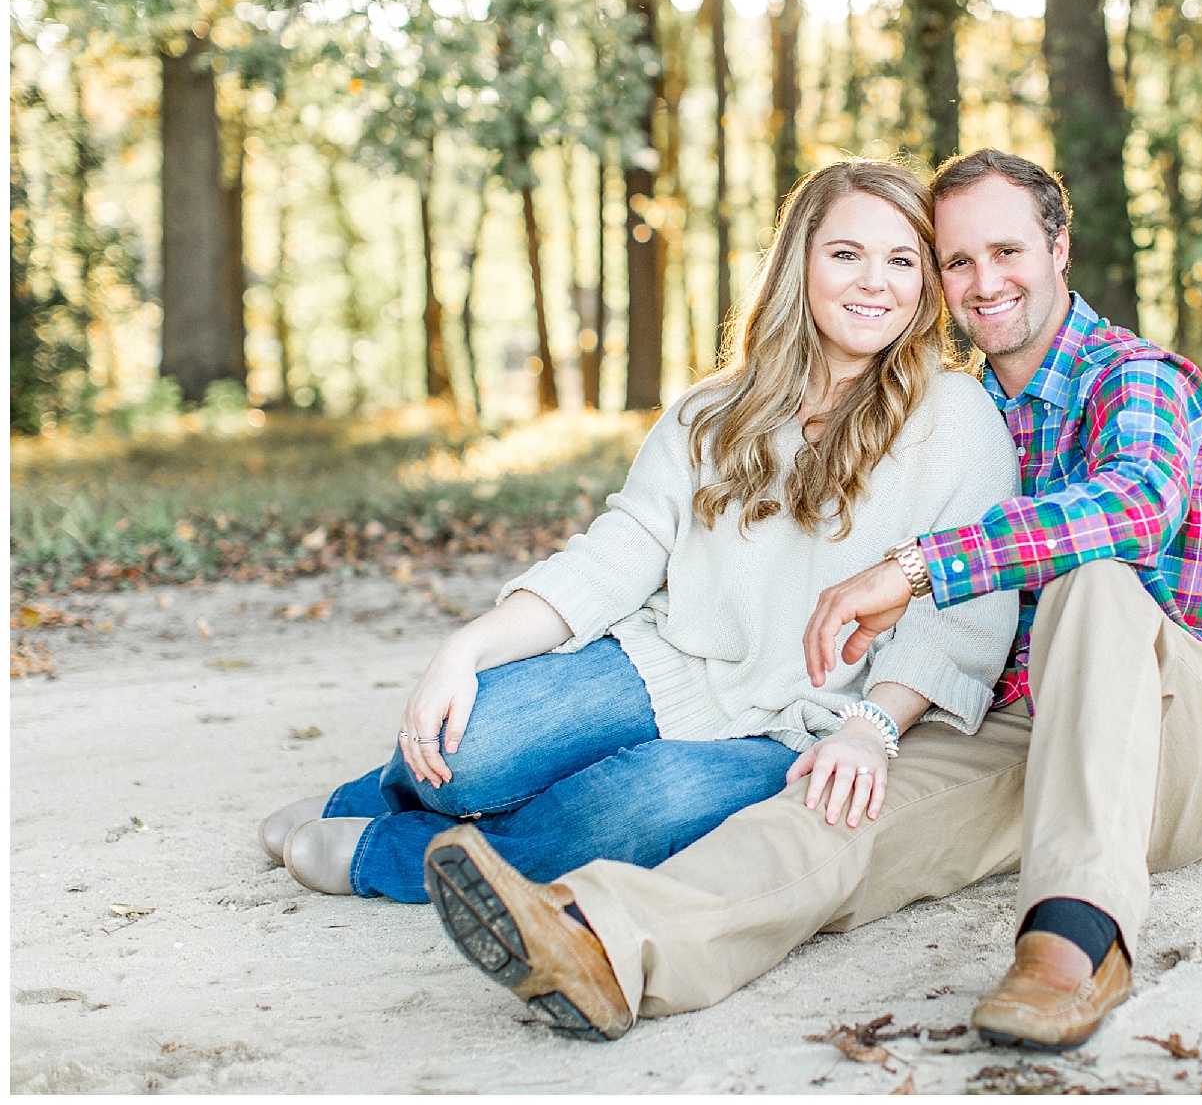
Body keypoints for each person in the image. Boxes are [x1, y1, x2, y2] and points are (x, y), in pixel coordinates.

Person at [419, 148, 1202, 1050]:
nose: (984, 281)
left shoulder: (1136, 378)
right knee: (834, 803)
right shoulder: (970, 405)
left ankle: (1075, 941)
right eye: (957, 261)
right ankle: (608, 940)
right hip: (1028, 729)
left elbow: (1134, 507)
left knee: (1091, 581)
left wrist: (912, 568)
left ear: (1060, 250)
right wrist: (867, 727)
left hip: (1180, 735)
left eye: (1010, 252)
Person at [257, 158, 1019, 907]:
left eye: (900, 260)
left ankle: (401, 853)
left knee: (637, 809)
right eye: (846, 254)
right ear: (800, 264)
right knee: (471, 743)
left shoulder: (956, 417)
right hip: (667, 662)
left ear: (924, 284)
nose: (873, 282)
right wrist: (465, 648)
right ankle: (380, 795)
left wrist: (871, 726)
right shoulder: (714, 410)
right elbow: (617, 555)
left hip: (803, 722)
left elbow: (964, 614)